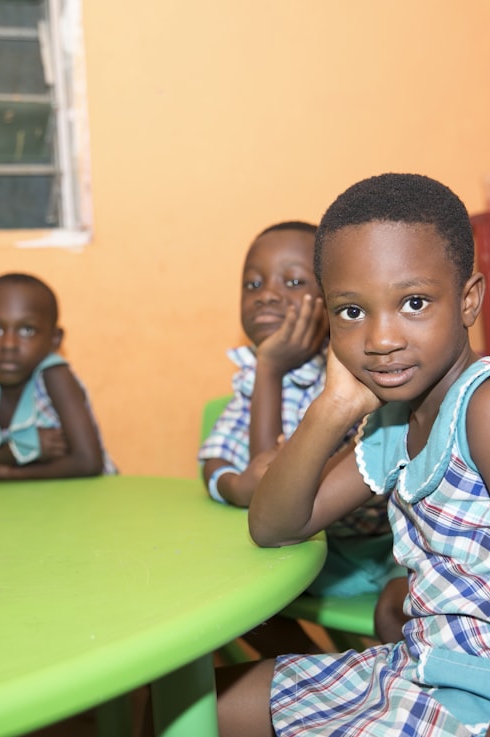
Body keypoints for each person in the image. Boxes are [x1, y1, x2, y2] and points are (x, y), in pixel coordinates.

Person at [216, 174, 490, 737]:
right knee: (205, 706)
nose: (380, 338)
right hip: (425, 666)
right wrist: (331, 408)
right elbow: (275, 524)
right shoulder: (394, 421)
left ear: (469, 299)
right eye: (351, 312)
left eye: (414, 303)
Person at [199, 221, 405, 654]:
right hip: (305, 552)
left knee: (401, 615)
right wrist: (232, 482)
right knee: (222, 599)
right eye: (252, 283)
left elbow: (272, 483)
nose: (268, 294)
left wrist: (270, 371)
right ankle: (317, 681)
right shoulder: (250, 377)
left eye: (292, 281)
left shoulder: (355, 377)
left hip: (388, 555)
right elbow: (233, 468)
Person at [0, 272, 117, 480]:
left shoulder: (54, 376)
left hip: (89, 496)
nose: (9, 345)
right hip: (37, 499)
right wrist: (28, 446)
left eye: (27, 330)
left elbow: (88, 462)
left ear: (55, 340)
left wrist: (14, 474)